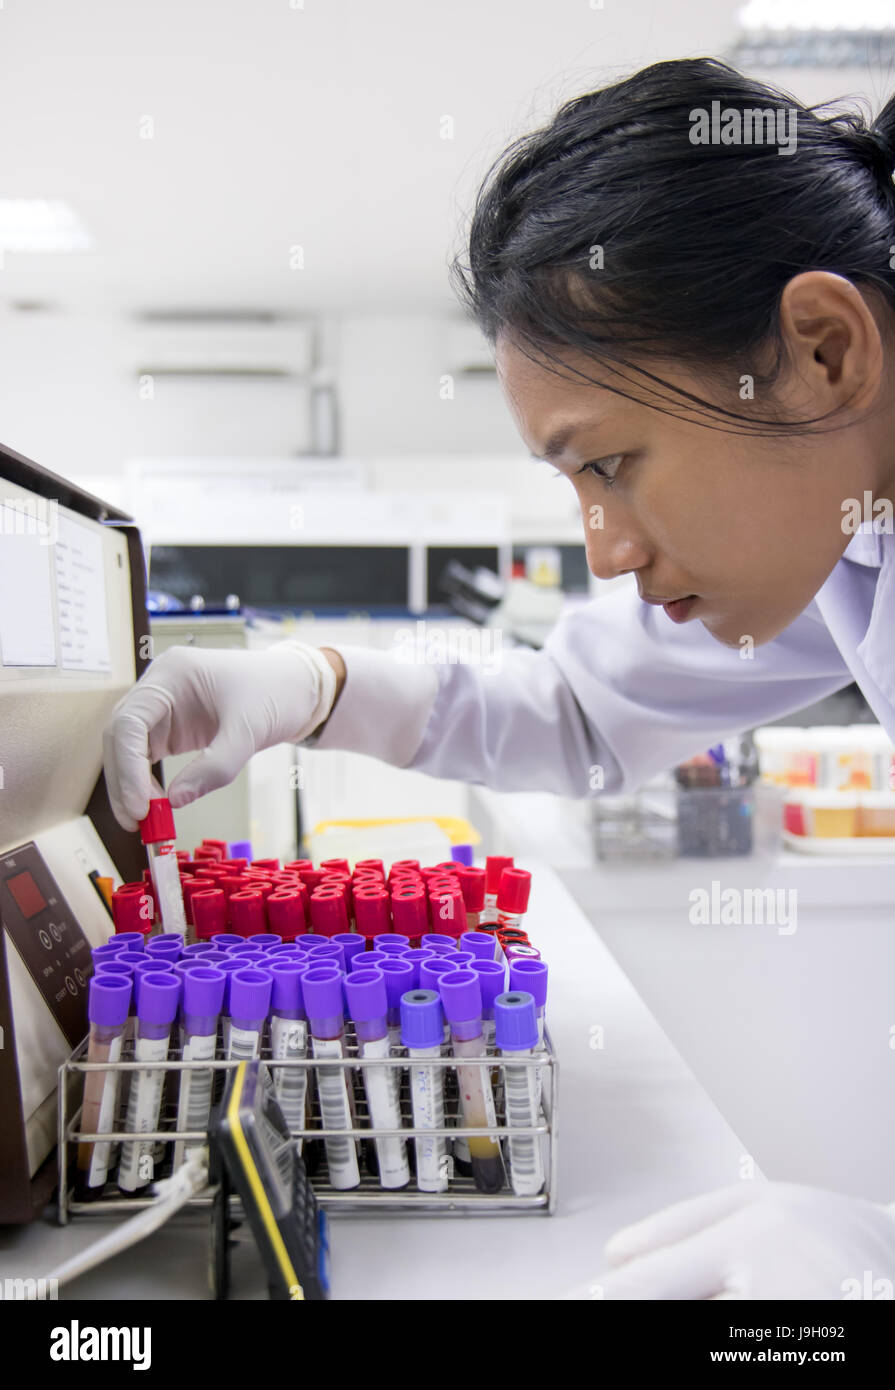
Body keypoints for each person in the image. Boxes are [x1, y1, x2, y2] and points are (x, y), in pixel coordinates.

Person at [104, 58, 895, 1299]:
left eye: (614, 463)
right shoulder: (846, 538)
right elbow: (580, 709)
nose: (608, 546)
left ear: (820, 347)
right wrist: (312, 684)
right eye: (574, 486)